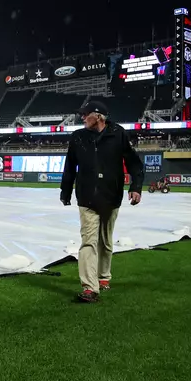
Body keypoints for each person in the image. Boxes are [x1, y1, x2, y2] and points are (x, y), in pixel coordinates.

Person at [59, 100, 144, 303]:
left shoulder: (119, 134)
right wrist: (66, 192)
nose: (82, 118)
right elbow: (70, 166)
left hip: (111, 196)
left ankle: (103, 277)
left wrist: (136, 187)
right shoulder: (78, 137)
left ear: (98, 116)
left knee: (105, 241)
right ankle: (90, 287)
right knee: (88, 242)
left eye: (85, 114)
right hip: (87, 197)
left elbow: (134, 163)